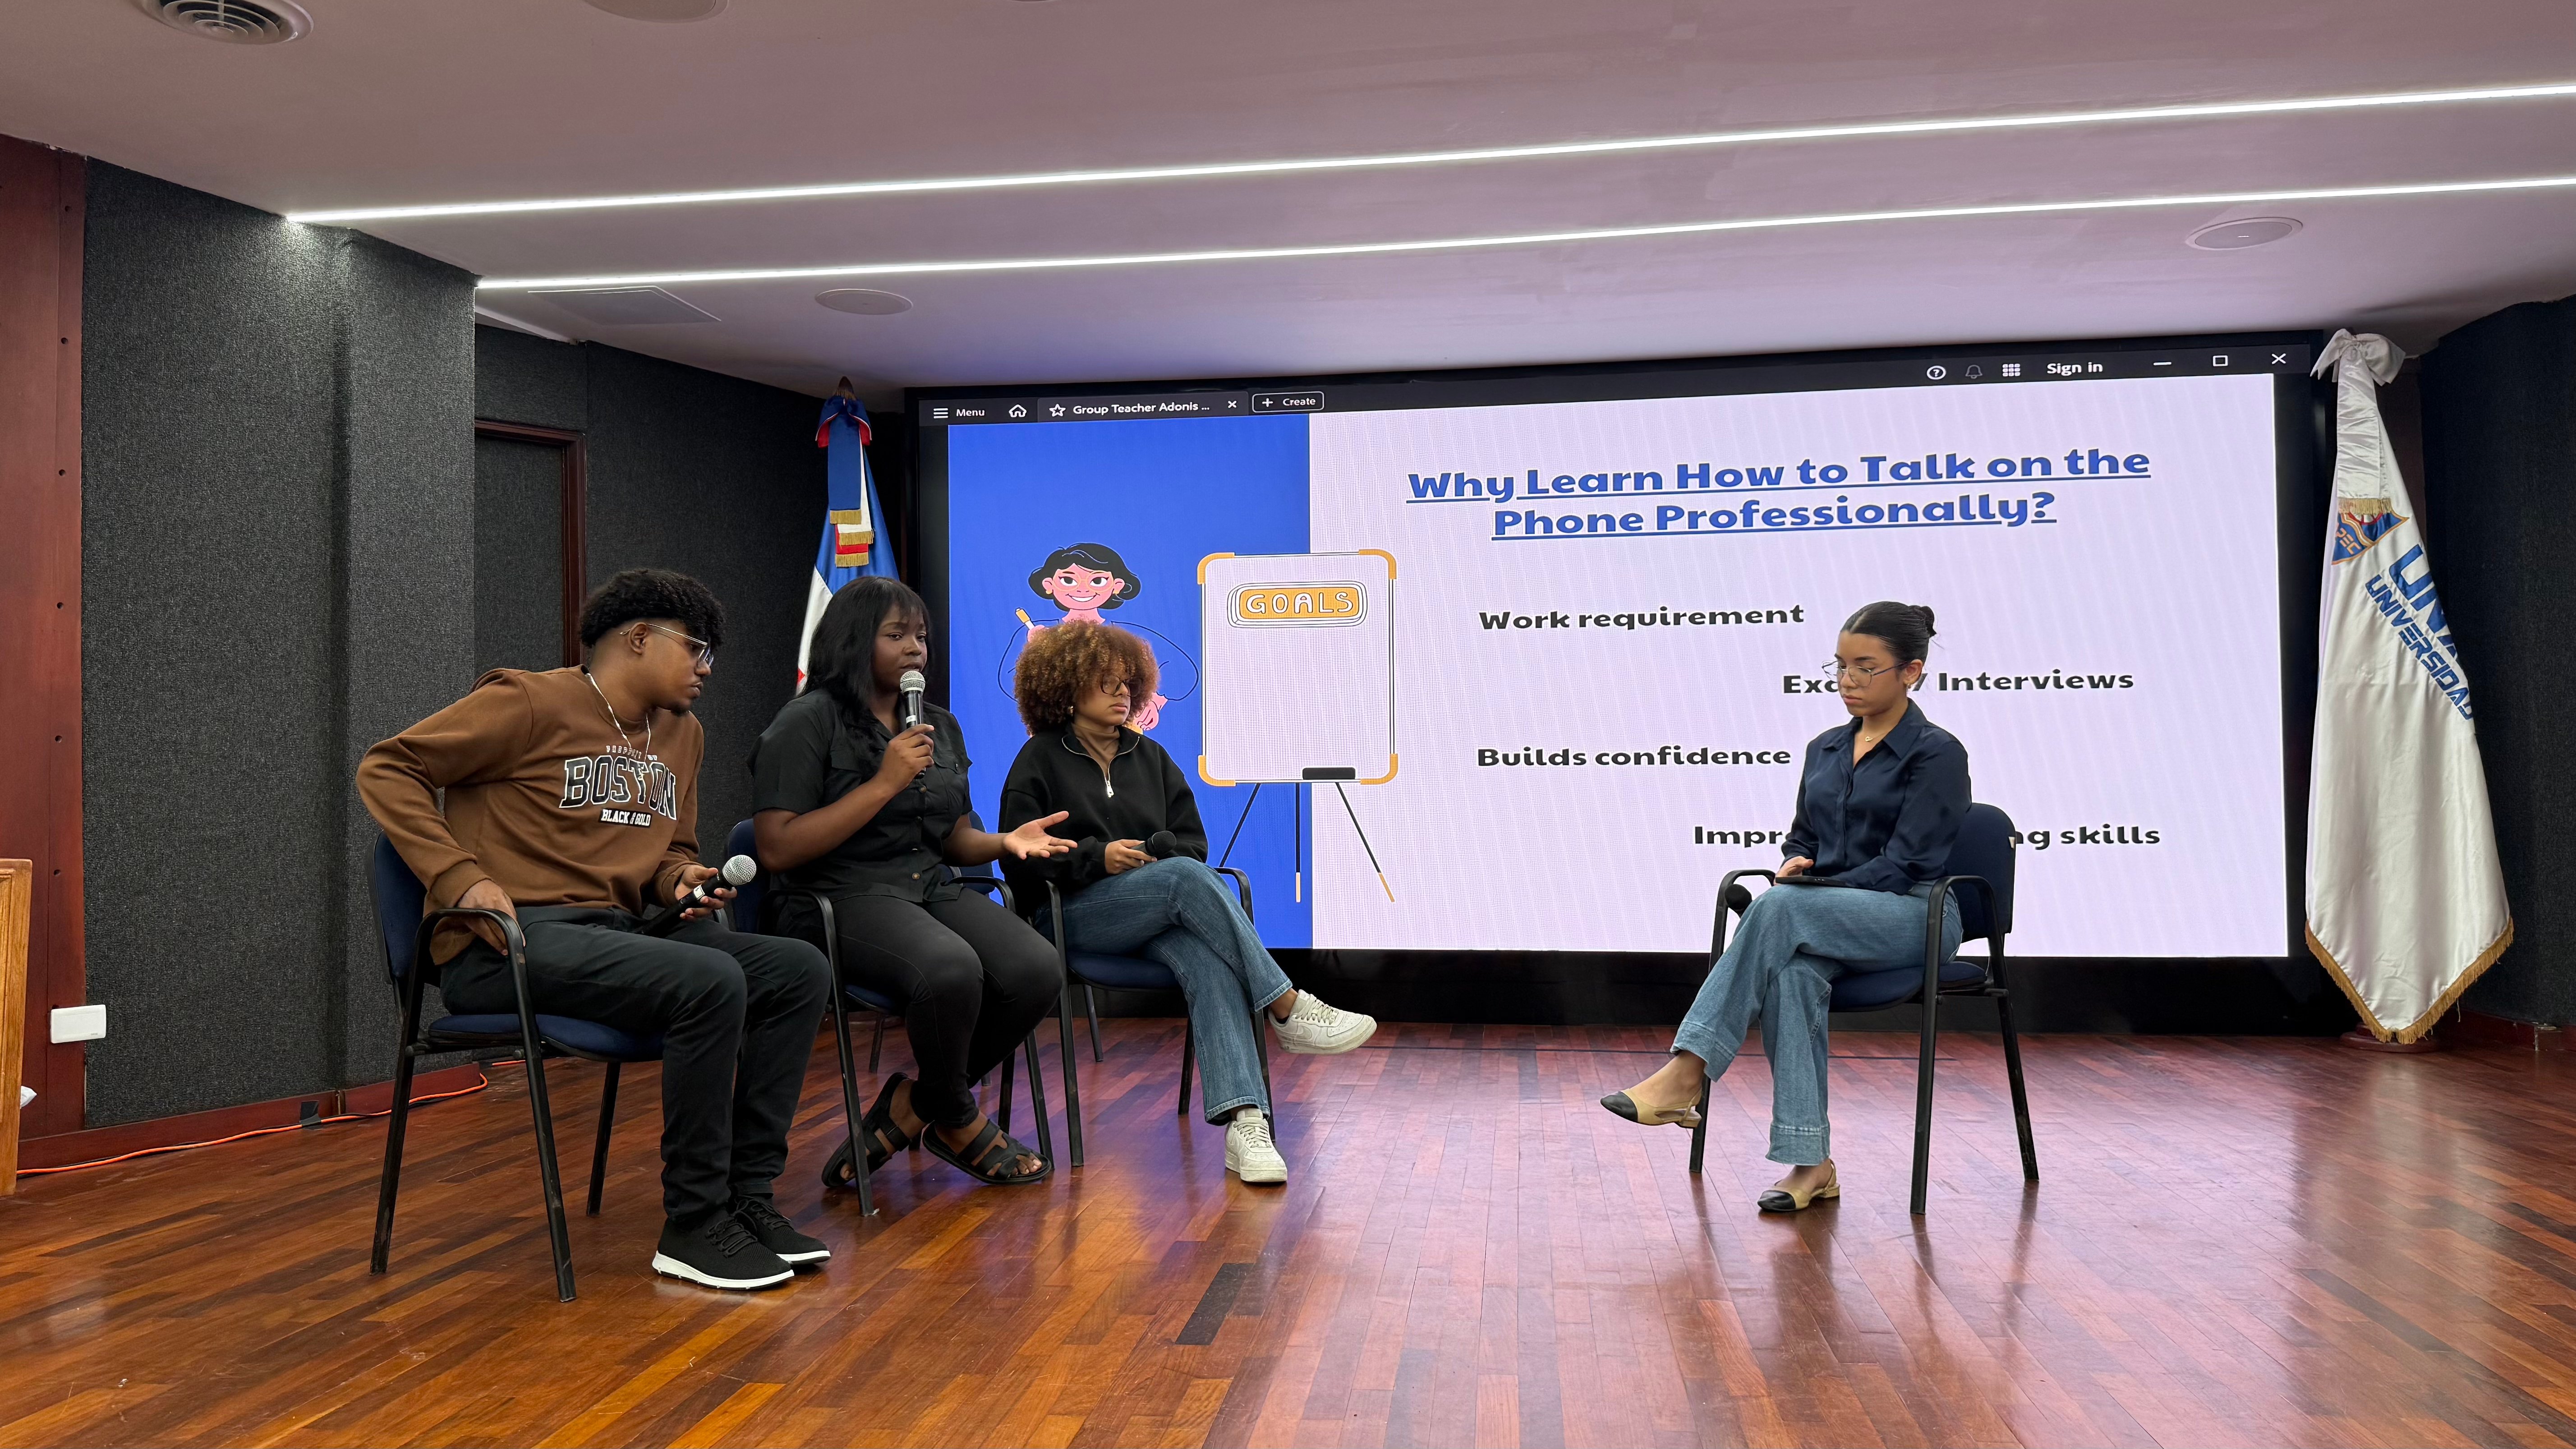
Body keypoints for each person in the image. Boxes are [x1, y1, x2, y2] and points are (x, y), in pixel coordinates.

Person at [358, 569, 834, 1291]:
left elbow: (669, 850)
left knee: (799, 970)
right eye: (696, 648)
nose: (707, 668)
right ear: (638, 637)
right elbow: (389, 766)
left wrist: (681, 878)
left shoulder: (683, 735)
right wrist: (459, 877)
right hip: (506, 945)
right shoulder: (528, 702)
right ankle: (694, 1223)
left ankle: (746, 1198)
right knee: (711, 978)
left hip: (618, 936)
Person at [1600, 602, 1968, 1212]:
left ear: (1912, 672)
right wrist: (1800, 862)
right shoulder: (1825, 748)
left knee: (1779, 908)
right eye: (1840, 666)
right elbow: (1803, 836)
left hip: (1915, 915)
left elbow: (1907, 863)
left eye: (1866, 667)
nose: (1848, 680)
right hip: (1830, 916)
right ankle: (1812, 1163)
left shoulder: (1937, 753)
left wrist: (1815, 887)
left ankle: (1689, 1069)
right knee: (1793, 976)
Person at [997, 620, 1378, 1186]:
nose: (1123, 692)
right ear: (1067, 687)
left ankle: (1246, 1124)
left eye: (1128, 682)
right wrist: (1098, 858)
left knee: (1207, 958)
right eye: (1106, 681)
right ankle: (1286, 1004)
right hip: (1069, 915)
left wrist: (1152, 859)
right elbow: (1021, 860)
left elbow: (1193, 846)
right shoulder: (1039, 760)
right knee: (1180, 881)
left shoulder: (1152, 757)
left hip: (1154, 910)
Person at [750, 577, 1071, 1189]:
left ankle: (916, 1105)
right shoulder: (807, 721)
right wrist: (884, 783)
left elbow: (954, 840)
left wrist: (1005, 841)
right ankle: (958, 1120)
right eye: (896, 635)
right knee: (950, 969)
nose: (915, 648)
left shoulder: (937, 725)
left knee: (1036, 968)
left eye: (921, 636)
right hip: (837, 896)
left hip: (927, 886)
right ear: (852, 641)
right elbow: (776, 847)